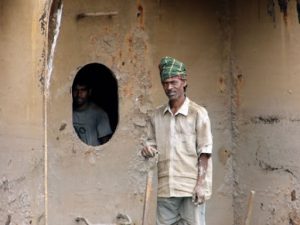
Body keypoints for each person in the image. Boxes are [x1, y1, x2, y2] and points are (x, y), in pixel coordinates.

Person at [141, 56, 213, 225]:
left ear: (184, 82)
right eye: (165, 83)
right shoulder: (156, 115)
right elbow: (150, 146)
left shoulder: (198, 113)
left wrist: (200, 184)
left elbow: (205, 150)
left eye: (174, 82)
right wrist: (147, 150)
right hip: (166, 189)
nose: (169, 87)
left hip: (191, 188)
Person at [72, 77, 112, 146]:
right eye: (76, 90)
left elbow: (106, 145)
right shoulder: (67, 111)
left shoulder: (99, 114)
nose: (79, 94)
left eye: (83, 90)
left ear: (89, 92)